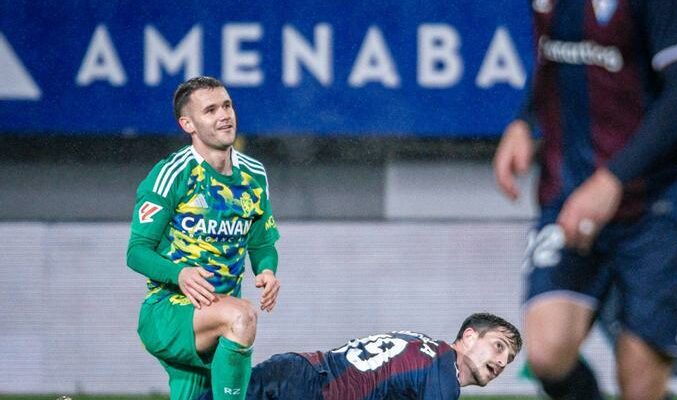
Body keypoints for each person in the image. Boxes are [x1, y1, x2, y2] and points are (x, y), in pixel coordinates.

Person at [492, 0, 677, 398]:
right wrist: (524, 121)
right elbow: (550, 59)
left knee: (640, 383)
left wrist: (612, 179)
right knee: (545, 352)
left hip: (658, 206)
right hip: (570, 198)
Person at [127, 76, 281, 400]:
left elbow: (262, 242)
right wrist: (179, 274)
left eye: (226, 105)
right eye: (210, 110)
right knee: (242, 316)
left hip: (214, 318)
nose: (224, 115)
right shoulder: (172, 174)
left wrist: (266, 270)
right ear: (188, 123)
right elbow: (137, 252)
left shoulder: (254, 174)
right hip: (168, 312)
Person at [197, 312, 522, 400]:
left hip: (295, 370)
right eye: (498, 345)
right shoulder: (443, 373)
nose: (502, 361)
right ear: (468, 336)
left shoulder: (425, 346)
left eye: (508, 359)